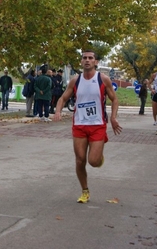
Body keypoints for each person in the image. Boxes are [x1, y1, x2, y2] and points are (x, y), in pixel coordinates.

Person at [53, 50, 122, 204]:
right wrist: (58, 111)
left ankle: (99, 158)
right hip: (79, 125)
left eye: (90, 58)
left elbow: (114, 100)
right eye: (84, 58)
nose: (87, 60)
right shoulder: (75, 81)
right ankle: (85, 191)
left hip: (97, 125)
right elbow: (63, 98)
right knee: (80, 160)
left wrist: (113, 117)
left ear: (95, 62)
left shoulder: (103, 79)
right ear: (81, 61)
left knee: (93, 161)